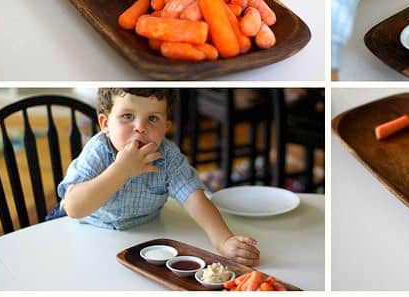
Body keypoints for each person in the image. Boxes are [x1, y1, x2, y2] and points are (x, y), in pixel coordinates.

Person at [57, 88, 260, 266]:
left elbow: (194, 198)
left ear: (166, 127)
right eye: (127, 116)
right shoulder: (99, 151)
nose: (140, 127)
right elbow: (74, 208)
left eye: (153, 118)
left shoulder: (168, 157)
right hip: (89, 232)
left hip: (145, 235)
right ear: (105, 124)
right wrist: (121, 170)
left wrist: (223, 240)